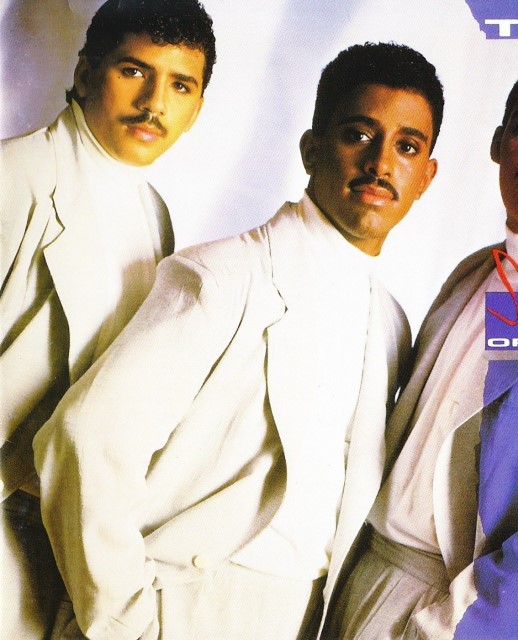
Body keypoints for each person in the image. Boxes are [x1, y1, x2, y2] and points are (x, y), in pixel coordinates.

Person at [32, 42, 444, 640]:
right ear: (311, 148)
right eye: (358, 134)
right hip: (180, 606)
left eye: (407, 147)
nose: (381, 164)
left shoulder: (391, 323)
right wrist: (126, 621)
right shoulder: (223, 276)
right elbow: (82, 439)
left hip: (306, 618)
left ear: (427, 175)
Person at [324, 52, 518, 640]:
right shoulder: (475, 274)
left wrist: (444, 629)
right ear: (498, 143)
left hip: (457, 614)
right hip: (366, 578)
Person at [0, 1, 216, 637]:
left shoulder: (154, 213)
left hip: (59, 536)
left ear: (198, 107)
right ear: (86, 72)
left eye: (180, 85)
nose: (154, 103)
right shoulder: (15, 177)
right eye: (134, 71)